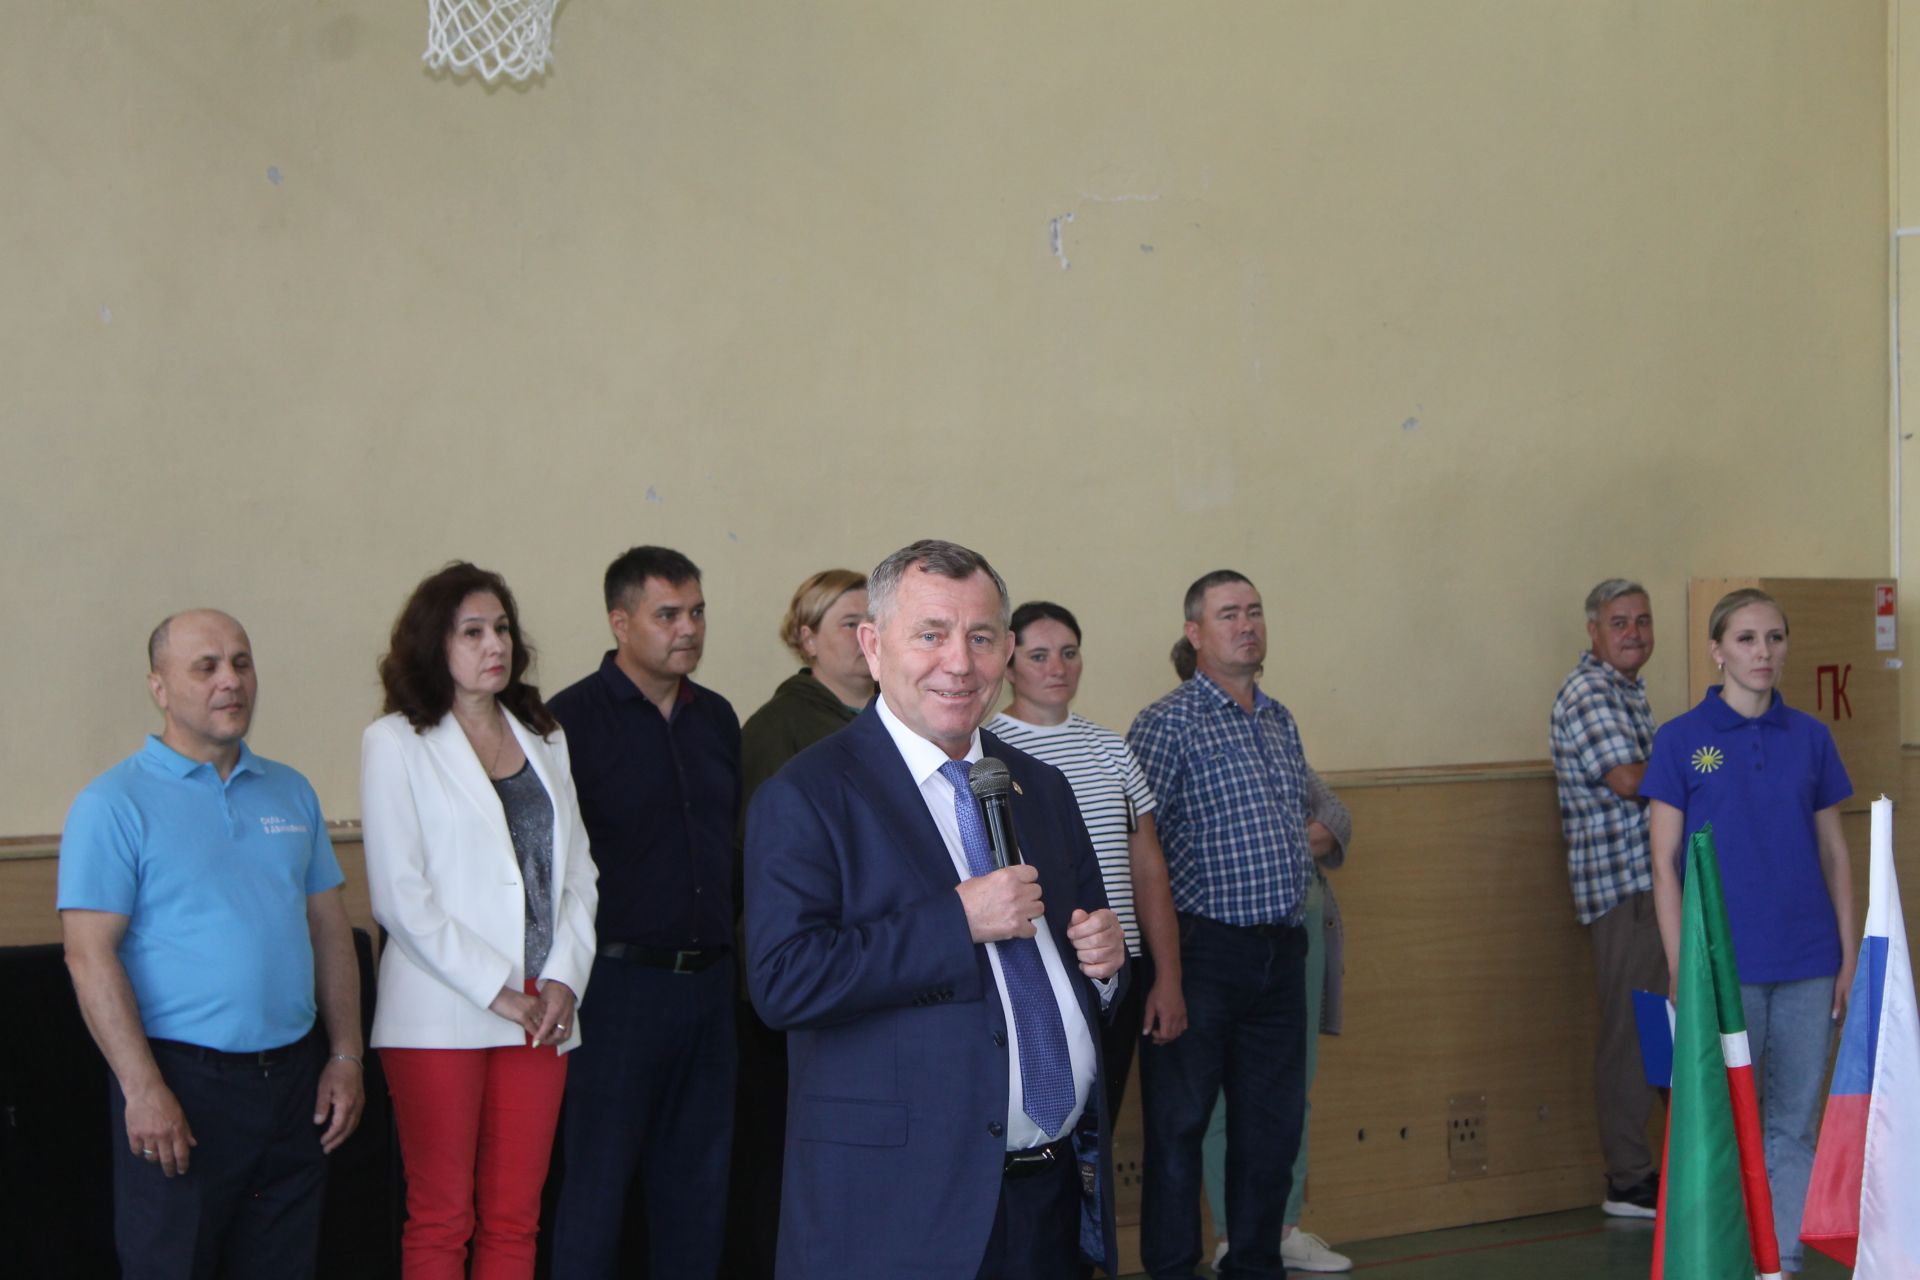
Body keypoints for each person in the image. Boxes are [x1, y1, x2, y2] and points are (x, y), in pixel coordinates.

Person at [745, 539, 1127, 1279]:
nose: (959, 663)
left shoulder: (1041, 788)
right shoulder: (807, 794)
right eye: (930, 635)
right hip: (902, 1208)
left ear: (1006, 652)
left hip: (1051, 1194)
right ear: (873, 646)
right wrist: (957, 922)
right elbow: (784, 980)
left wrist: (1105, 967)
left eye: (981, 638)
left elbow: (1081, 963)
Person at [58, 609, 365, 1280]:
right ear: (159, 688)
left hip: (294, 1083)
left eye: (242, 663)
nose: (231, 680)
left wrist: (346, 1054)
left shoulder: (291, 790)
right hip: (181, 1084)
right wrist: (142, 1088)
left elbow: (329, 930)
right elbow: (88, 955)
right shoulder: (112, 803)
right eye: (206, 667)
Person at [360, 563, 600, 1279]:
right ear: (434, 644)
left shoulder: (545, 736)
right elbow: (399, 896)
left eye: (501, 629)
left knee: (515, 1218)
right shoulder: (396, 741)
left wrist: (563, 979)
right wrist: (498, 990)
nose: (495, 644)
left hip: (542, 1009)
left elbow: (578, 874)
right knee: (442, 1218)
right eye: (472, 632)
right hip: (443, 1009)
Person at [1644, 588, 1855, 1275]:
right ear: (1717, 650)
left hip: (1808, 961)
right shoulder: (1681, 740)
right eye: (1746, 639)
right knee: (1729, 1123)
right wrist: (1681, 964)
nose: (1763, 652)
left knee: (1793, 1123)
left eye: (1774, 638)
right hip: (1721, 967)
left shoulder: (1811, 738)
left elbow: (1835, 853)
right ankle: (1732, 1258)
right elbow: (1665, 864)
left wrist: (1848, 955)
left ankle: (1782, 1262)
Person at [548, 546, 741, 1279]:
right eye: (668, 615)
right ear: (620, 622)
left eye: (697, 612)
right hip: (614, 989)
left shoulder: (715, 717)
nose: (688, 628)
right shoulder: (566, 722)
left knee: (698, 1193)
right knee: (597, 1191)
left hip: (709, 987)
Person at [1127, 570, 1317, 1280]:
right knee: (1178, 1127)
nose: (1247, 625)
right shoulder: (1165, 723)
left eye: (1255, 611)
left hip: (1280, 953)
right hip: (1201, 954)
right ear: (1195, 633)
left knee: (1271, 1130)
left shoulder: (1279, 719)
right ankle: (1173, 1269)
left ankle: (1255, 1265)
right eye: (1229, 614)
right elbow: (1140, 850)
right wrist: (1165, 974)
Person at [1170, 640, 1355, 1274]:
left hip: (1293, 930)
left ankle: (1280, 1229)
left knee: (1286, 1092)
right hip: (1216, 942)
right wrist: (1282, 836)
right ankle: (1232, 1235)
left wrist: (1279, 836)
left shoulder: (1276, 728)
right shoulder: (1176, 730)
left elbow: (1336, 818)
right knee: (1220, 1102)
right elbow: (1169, 839)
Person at [725, 567, 873, 1278]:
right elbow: (767, 871)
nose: (865, 635)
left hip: (882, 973)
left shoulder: (901, 720)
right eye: (848, 623)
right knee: (788, 1161)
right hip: (806, 978)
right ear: (807, 639)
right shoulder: (777, 730)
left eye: (874, 623)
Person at [986, 600, 1186, 1122]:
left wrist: (1167, 976)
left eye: (1069, 653)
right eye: (1039, 655)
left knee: (1103, 1118)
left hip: (1116, 964)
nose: (1058, 667)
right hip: (1038, 965)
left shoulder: (1111, 748)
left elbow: (1148, 868)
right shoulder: (989, 751)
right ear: (1009, 664)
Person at [1548, 578, 1666, 1219]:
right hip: (1626, 890)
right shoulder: (1590, 692)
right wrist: (1705, 762)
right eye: (1619, 622)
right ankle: (1628, 1178)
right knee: (1632, 1032)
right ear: (1593, 631)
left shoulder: (1627, 692)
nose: (1633, 633)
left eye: (1642, 621)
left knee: (1661, 1027)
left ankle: (1661, 1165)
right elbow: (1628, 780)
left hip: (1651, 887)